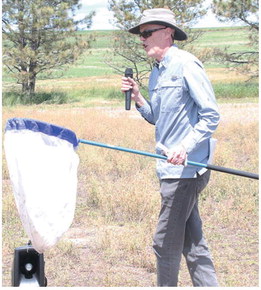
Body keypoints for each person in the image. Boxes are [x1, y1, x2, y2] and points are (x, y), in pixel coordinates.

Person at [121, 8, 220, 287]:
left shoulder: (187, 64)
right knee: (193, 241)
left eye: (147, 33)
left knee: (164, 243)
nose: (142, 39)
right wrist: (139, 97)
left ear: (168, 33)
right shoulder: (157, 73)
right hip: (168, 169)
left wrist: (185, 147)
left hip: (185, 172)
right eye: (141, 35)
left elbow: (211, 114)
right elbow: (157, 117)